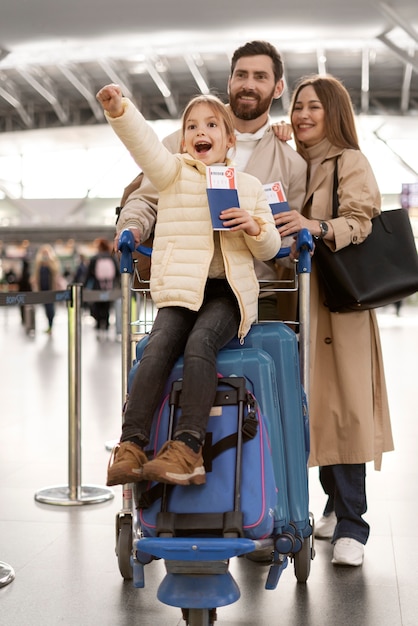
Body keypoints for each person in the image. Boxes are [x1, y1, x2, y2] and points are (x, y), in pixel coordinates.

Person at [95, 84, 281, 487]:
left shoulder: (248, 186)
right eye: (192, 126)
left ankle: (187, 447)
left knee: (200, 344)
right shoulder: (173, 174)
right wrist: (120, 110)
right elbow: (144, 146)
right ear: (183, 140)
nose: (202, 131)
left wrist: (253, 226)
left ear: (230, 139)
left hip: (227, 294)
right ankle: (131, 444)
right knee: (158, 346)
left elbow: (270, 246)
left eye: (212, 124)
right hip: (182, 289)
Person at [275, 74, 394, 566]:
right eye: (298, 106)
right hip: (295, 303)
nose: (302, 115)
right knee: (308, 408)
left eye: (314, 108)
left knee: (342, 409)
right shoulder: (291, 163)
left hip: (337, 307)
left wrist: (316, 226)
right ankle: (328, 505)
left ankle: (353, 525)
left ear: (334, 114)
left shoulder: (350, 161)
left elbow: (362, 220)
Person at [115, 40, 307, 321]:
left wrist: (292, 249)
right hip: (185, 288)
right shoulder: (184, 140)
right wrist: (132, 226)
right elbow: (145, 199)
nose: (248, 84)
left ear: (278, 88)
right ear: (230, 80)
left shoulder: (292, 164)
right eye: (241, 75)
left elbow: (284, 237)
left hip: (256, 292)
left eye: (260, 76)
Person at [84, 238, 119, 338]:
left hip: (97, 287)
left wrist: (84, 286)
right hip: (109, 287)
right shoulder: (112, 257)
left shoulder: (95, 258)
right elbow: (117, 272)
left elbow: (88, 274)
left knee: (97, 307)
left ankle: (99, 327)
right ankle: (106, 327)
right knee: (107, 307)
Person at [31, 244, 62, 334]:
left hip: (51, 289)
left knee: (50, 307)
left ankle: (51, 325)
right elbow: (36, 275)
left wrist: (49, 262)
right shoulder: (39, 263)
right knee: (45, 307)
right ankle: (49, 325)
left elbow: (56, 271)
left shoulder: (53, 262)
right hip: (42, 289)